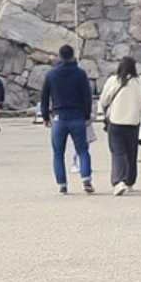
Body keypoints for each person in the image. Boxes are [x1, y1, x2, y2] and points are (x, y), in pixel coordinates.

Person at [40, 44, 95, 195]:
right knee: (82, 150)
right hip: (77, 116)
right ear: (72, 56)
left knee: (58, 153)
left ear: (59, 56)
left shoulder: (51, 74)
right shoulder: (80, 74)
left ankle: (62, 184)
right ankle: (86, 178)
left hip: (59, 117)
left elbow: (44, 97)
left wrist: (45, 116)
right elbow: (87, 96)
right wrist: (87, 115)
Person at [99, 56, 141, 196]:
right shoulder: (139, 82)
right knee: (132, 153)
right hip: (133, 122)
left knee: (118, 152)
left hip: (116, 121)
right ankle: (130, 180)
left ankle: (119, 181)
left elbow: (104, 100)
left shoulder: (113, 80)